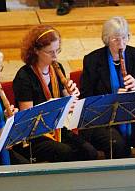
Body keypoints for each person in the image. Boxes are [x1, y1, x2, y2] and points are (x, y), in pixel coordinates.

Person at [13, 25, 97, 162]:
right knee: (66, 152)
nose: (55, 56)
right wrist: (61, 109)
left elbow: (67, 101)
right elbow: (28, 119)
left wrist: (72, 97)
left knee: (89, 151)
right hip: (36, 136)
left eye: (57, 50)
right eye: (50, 52)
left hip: (57, 128)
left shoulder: (57, 69)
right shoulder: (24, 77)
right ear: (36, 51)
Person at [81, 16, 135, 158]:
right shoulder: (92, 60)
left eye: (125, 38)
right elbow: (86, 99)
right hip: (102, 122)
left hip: (132, 116)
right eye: (116, 39)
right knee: (118, 144)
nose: (121, 44)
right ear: (107, 39)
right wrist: (114, 97)